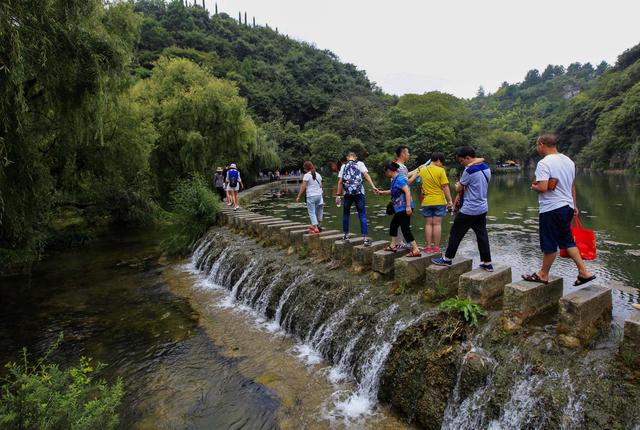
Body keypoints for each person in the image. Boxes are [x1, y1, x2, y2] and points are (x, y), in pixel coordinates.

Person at [522, 133, 595, 286]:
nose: (537, 148)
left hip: (551, 208)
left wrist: (534, 186)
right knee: (567, 240)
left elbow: (542, 187)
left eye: (537, 145)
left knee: (549, 242)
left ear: (541, 144)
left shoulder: (544, 163)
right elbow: (571, 185)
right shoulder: (568, 161)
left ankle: (543, 274)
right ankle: (584, 272)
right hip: (567, 206)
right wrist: (574, 205)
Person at [432, 146, 494, 271]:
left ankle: (447, 259)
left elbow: (459, 188)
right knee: (482, 235)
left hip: (469, 209)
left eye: (462, 161)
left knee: (455, 233)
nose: (461, 163)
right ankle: (487, 263)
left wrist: (457, 185)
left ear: (468, 158)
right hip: (482, 208)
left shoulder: (469, 171)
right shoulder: (486, 168)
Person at [377, 162, 421, 256]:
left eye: (386, 172)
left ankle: (416, 249)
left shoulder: (400, 179)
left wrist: (408, 206)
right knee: (393, 225)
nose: (386, 174)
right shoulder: (394, 179)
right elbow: (394, 190)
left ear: (389, 171)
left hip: (404, 207)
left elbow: (407, 191)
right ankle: (393, 246)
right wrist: (383, 192)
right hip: (399, 208)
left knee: (405, 229)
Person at [336, 152, 379, 246]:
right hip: (359, 193)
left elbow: (340, 181)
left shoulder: (344, 166)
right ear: (355, 157)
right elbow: (366, 175)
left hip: (347, 194)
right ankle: (365, 239)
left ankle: (346, 235)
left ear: (347, 157)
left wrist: (338, 195)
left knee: (346, 214)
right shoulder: (360, 164)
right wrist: (373, 186)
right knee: (362, 214)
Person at [415, 152, 454, 253]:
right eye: (442, 162)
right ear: (439, 160)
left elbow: (421, 185)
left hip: (426, 201)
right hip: (439, 201)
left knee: (428, 224)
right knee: (437, 224)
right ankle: (436, 247)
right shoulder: (441, 170)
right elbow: (445, 186)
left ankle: (428, 246)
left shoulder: (422, 170)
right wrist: (450, 200)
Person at [296, 161, 324, 234]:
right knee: (319, 211)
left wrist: (299, 196)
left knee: (312, 212)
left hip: (311, 196)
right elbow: (321, 186)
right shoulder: (318, 175)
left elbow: (303, 187)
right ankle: (318, 225)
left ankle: (315, 228)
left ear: (305, 168)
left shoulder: (307, 175)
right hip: (319, 196)